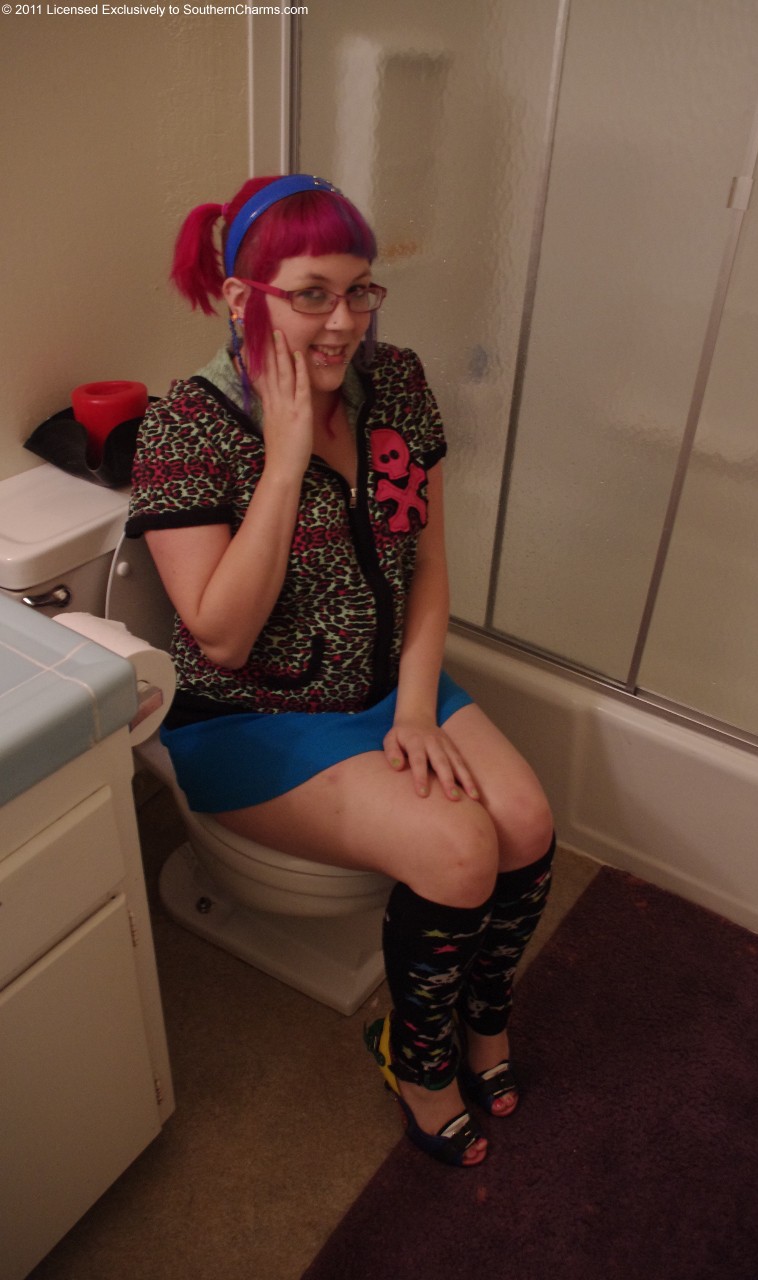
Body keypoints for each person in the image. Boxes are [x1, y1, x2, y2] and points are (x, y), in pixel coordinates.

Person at [127, 173, 555, 1168]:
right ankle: (416, 1059)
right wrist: (282, 461)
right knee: (460, 851)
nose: (344, 322)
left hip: (387, 683)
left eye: (360, 289)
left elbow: (428, 565)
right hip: (251, 716)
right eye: (312, 293)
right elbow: (222, 639)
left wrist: (416, 708)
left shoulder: (394, 381)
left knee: (526, 822)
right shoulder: (184, 427)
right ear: (241, 297)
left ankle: (482, 1020)